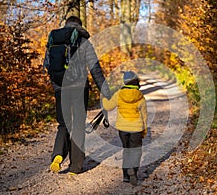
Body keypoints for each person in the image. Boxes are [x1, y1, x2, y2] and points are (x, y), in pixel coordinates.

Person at [43, 16, 111, 175]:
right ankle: (75, 167)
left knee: (63, 124)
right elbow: (95, 70)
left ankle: (58, 154)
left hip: (60, 88)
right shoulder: (83, 41)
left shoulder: (54, 40)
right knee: (79, 125)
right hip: (80, 88)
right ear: (79, 26)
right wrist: (106, 93)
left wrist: (56, 86)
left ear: (65, 24)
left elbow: (47, 64)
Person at [102, 71, 148, 186]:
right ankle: (133, 170)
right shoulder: (140, 96)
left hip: (123, 129)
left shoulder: (119, 94)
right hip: (136, 128)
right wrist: (144, 130)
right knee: (136, 150)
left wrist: (103, 99)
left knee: (126, 149)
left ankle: (126, 176)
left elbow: (108, 106)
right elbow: (144, 116)